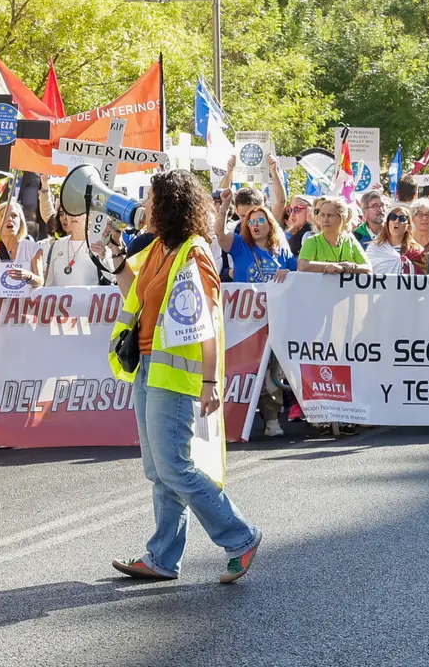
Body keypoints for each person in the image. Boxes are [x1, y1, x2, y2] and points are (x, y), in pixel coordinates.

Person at [108, 168, 262, 584]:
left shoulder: (193, 252)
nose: (146, 206)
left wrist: (211, 382)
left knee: (174, 467)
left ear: (171, 205)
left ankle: (240, 536)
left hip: (174, 377)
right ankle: (161, 558)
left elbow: (208, 320)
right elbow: (135, 297)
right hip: (148, 368)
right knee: (159, 470)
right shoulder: (160, 248)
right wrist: (118, 259)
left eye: (153, 200)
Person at [0, 202, 45, 288]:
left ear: (21, 221)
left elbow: (40, 282)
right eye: (3, 216)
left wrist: (28, 276)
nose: (9, 219)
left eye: (14, 215)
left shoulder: (33, 248)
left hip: (23, 301)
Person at [296, 197, 370, 275]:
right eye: (322, 215)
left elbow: (368, 268)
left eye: (330, 215)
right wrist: (333, 266)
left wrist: (345, 268)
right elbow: (302, 266)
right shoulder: (312, 241)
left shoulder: (350, 240)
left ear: (342, 218)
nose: (325, 220)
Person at [224, 202, 294, 283]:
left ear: (270, 225)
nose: (255, 224)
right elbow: (221, 235)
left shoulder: (283, 252)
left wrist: (289, 274)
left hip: (274, 295)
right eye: (251, 222)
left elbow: (296, 280)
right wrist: (224, 208)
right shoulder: (239, 244)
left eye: (260, 220)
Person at [40, 207, 109, 286]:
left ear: (89, 217)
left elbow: (112, 278)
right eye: (70, 212)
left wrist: (103, 257)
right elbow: (49, 283)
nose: (74, 216)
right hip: (60, 298)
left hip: (90, 298)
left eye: (79, 212)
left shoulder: (99, 243)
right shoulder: (57, 245)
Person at [365, 202, 420, 274]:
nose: (397, 221)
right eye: (393, 217)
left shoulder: (416, 252)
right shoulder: (374, 248)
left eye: (402, 218)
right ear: (387, 224)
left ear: (408, 227)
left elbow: (421, 278)